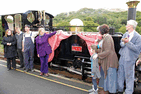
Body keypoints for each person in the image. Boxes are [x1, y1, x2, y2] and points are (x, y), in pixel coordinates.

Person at [93, 24, 118, 94]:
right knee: (107, 78)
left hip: (110, 62)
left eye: (99, 31)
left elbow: (107, 51)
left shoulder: (107, 38)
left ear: (101, 31)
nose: (98, 32)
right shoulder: (105, 38)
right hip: (108, 61)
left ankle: (112, 92)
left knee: (111, 79)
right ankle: (107, 91)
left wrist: (98, 55)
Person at [117, 20, 141, 94]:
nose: (126, 26)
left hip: (130, 59)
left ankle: (128, 92)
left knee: (129, 76)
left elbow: (137, 48)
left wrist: (128, 43)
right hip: (122, 57)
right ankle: (120, 89)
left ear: (131, 26)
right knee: (120, 74)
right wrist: (124, 42)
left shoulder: (138, 37)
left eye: (127, 25)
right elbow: (121, 44)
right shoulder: (126, 34)